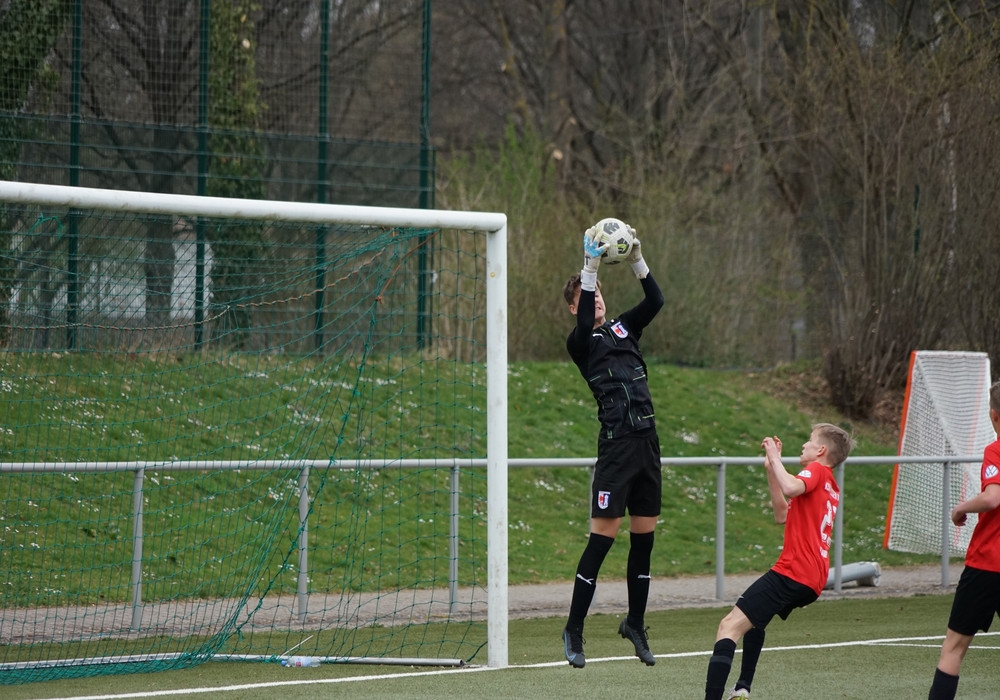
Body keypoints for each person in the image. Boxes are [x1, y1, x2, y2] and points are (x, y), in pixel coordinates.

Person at [560, 221, 664, 669]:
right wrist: (589, 265)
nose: (596, 299)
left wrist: (637, 257)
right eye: (588, 295)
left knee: (644, 543)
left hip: (647, 446)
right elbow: (585, 320)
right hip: (617, 451)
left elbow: (656, 301)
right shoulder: (579, 342)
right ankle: (574, 629)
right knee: (601, 541)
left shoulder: (624, 328)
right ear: (574, 307)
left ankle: (635, 623)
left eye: (600, 292)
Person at [703, 423, 855, 700]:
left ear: (820, 450)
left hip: (795, 571)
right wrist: (772, 470)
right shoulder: (829, 484)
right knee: (755, 619)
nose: (804, 445)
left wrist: (775, 456)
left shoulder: (817, 471)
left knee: (728, 626)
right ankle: (742, 689)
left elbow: (791, 486)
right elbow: (782, 514)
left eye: (809, 441)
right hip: (812, 579)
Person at [927, 380, 1000, 700]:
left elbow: (993, 498)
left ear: (993, 415)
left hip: (987, 565)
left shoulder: (995, 450)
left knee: (954, 648)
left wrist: (960, 508)